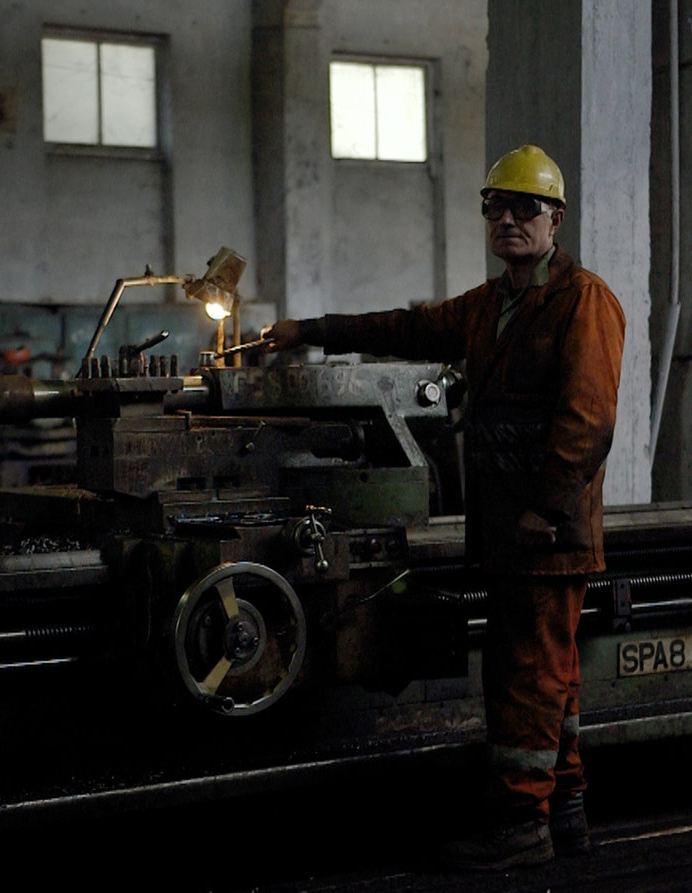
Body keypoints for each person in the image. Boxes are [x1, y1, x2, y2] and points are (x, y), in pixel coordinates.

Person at [261, 144, 625, 871]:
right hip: (508, 527)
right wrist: (312, 330)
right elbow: (406, 326)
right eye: (498, 205)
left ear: (556, 219)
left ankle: (522, 822)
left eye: (527, 207)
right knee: (549, 672)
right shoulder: (489, 307)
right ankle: (568, 809)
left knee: (524, 673)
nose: (510, 219)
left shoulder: (583, 300)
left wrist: (544, 509)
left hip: (546, 533)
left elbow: (587, 420)